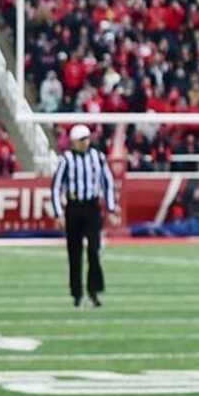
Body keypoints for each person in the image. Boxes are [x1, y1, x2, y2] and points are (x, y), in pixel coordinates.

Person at [51, 124, 118, 308]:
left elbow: (108, 182)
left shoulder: (98, 157)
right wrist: (58, 213)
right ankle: (77, 293)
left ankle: (94, 290)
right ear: (73, 142)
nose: (86, 142)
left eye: (87, 138)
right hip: (73, 207)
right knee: (74, 252)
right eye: (82, 140)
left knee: (94, 250)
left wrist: (111, 209)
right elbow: (56, 187)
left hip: (92, 206)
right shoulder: (66, 160)